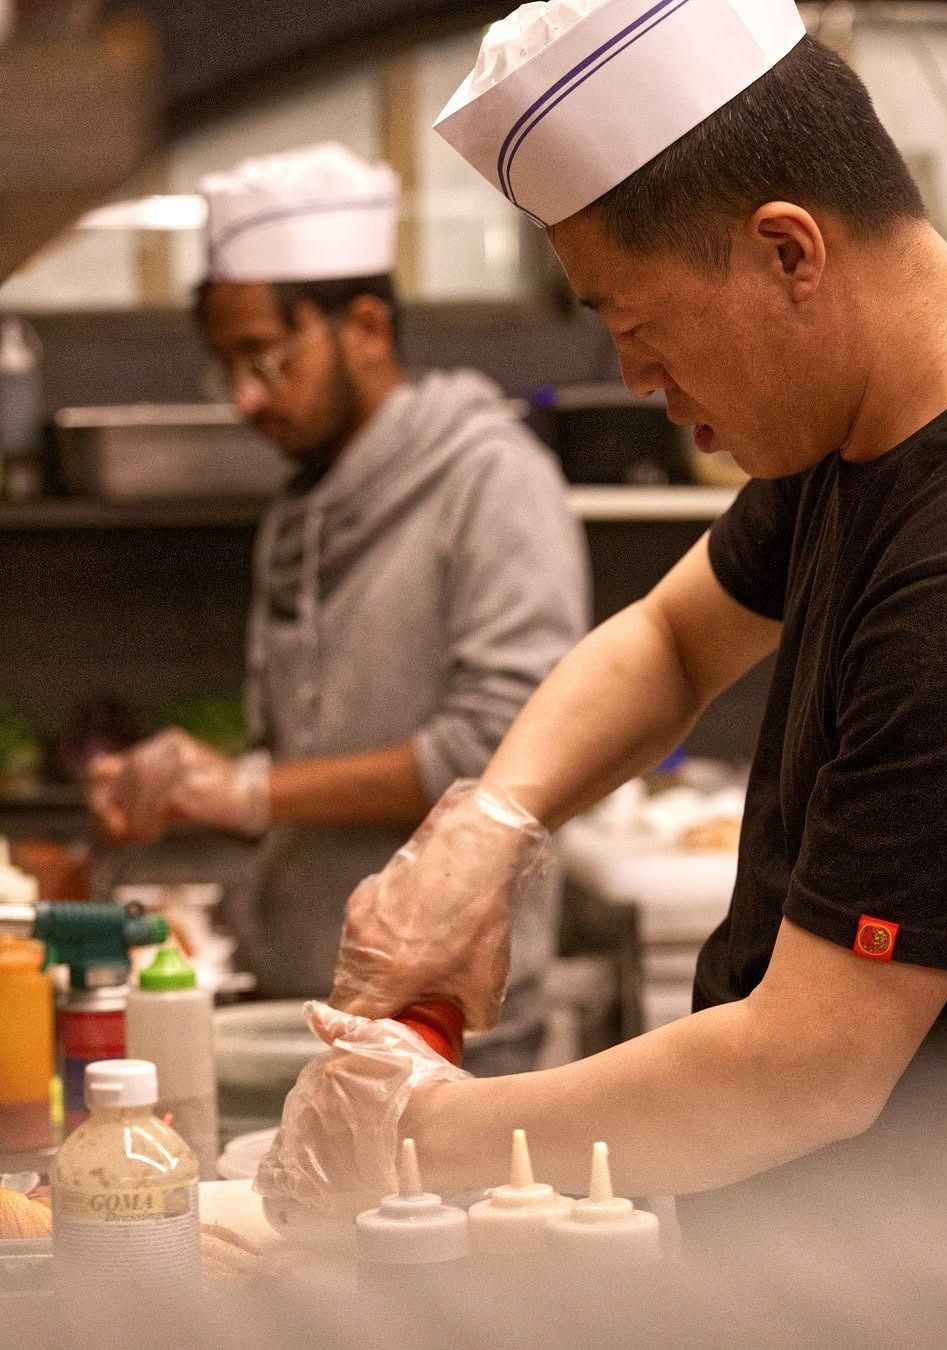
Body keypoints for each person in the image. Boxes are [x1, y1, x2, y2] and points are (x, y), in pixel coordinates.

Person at [255, 0, 947, 1278]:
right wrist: (492, 827)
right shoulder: (867, 431)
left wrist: (423, 1134)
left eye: (638, 326)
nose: (638, 377)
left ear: (788, 252)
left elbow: (808, 1071)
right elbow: (671, 641)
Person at [90, 143, 590, 1074]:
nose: (245, 398)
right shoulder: (300, 508)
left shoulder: (491, 479)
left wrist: (247, 790)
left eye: (266, 359)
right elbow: (308, 751)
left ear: (364, 325)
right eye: (226, 368)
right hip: (315, 1001)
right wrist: (201, 807)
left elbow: (499, 748)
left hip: (450, 1025)